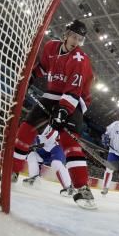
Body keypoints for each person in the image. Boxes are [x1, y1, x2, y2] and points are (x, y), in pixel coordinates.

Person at [12, 19, 96, 209]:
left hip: (75, 99)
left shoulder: (79, 59)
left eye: (80, 39)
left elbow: (74, 91)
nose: (76, 41)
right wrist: (31, 77)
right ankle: (13, 171)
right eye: (74, 36)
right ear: (66, 34)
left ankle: (82, 188)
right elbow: (43, 67)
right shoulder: (51, 47)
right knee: (25, 130)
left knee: (70, 142)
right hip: (52, 94)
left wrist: (63, 111)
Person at [23, 125, 74, 196]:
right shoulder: (33, 130)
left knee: (56, 163)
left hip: (55, 149)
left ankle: (68, 187)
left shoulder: (53, 131)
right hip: (42, 152)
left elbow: (47, 141)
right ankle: (34, 178)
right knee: (31, 155)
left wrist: (34, 145)